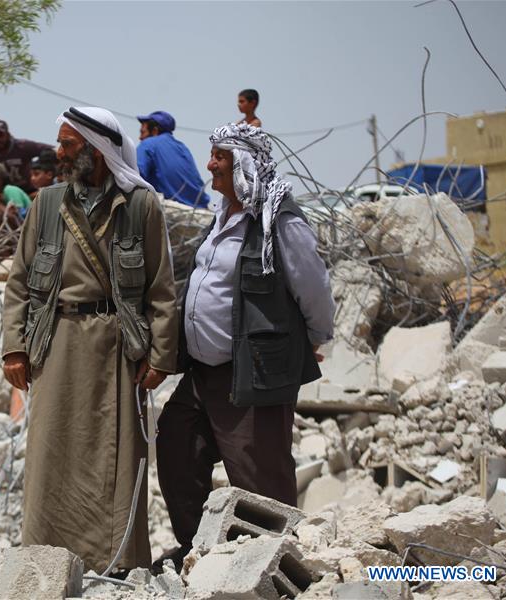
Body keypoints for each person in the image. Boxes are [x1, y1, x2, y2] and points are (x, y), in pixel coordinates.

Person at [1, 106, 178, 574]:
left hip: (119, 351)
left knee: (115, 458)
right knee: (51, 453)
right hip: (55, 344)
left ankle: (116, 562)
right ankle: (44, 559)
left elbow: (161, 289)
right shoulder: (47, 205)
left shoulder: (140, 206)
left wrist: (161, 356)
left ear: (96, 151)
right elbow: (19, 283)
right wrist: (14, 347)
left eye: (67, 144)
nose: (58, 152)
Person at [154, 123, 334, 573]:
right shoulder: (221, 215)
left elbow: (313, 287)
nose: (210, 164)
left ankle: (275, 562)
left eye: (220, 156)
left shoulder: (279, 220)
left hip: (252, 371)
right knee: (177, 446)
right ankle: (200, 551)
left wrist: (312, 340)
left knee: (259, 475)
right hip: (202, 373)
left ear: (245, 165)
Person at [136, 110, 210, 209]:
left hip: (170, 210)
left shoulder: (148, 144)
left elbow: (135, 177)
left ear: (154, 131)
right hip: (200, 211)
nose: (140, 137)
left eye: (142, 132)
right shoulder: (182, 147)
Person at [0, 119, 53, 194]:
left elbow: (52, 150)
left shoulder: (23, 146)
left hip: (30, 190)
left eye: (0, 135)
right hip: (4, 195)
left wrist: (38, 166)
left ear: (7, 135)